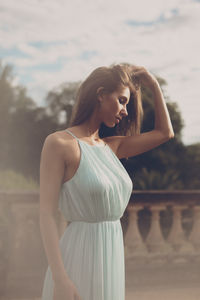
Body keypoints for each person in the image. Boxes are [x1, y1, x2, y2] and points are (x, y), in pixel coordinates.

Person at [39, 63, 174, 300]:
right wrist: (61, 278)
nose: (125, 111)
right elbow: (46, 214)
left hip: (111, 251)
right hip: (77, 255)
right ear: (101, 94)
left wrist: (153, 84)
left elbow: (165, 133)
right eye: (122, 101)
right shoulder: (59, 144)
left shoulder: (112, 147)